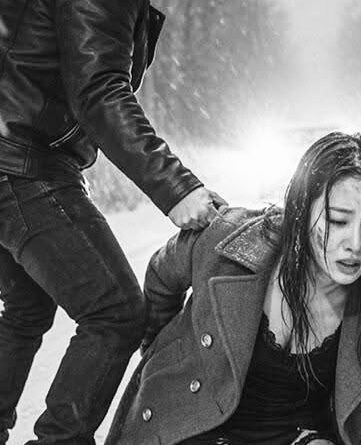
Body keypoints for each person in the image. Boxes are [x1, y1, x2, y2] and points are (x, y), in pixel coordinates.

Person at [105, 132, 361, 445]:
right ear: (303, 208)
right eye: (338, 220)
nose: (355, 244)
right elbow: (162, 275)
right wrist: (163, 348)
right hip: (192, 428)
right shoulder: (226, 241)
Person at [0, 1, 225, 444]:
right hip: (25, 164)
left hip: (13, 152)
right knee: (116, 312)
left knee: (26, 310)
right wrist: (176, 188)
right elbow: (99, 90)